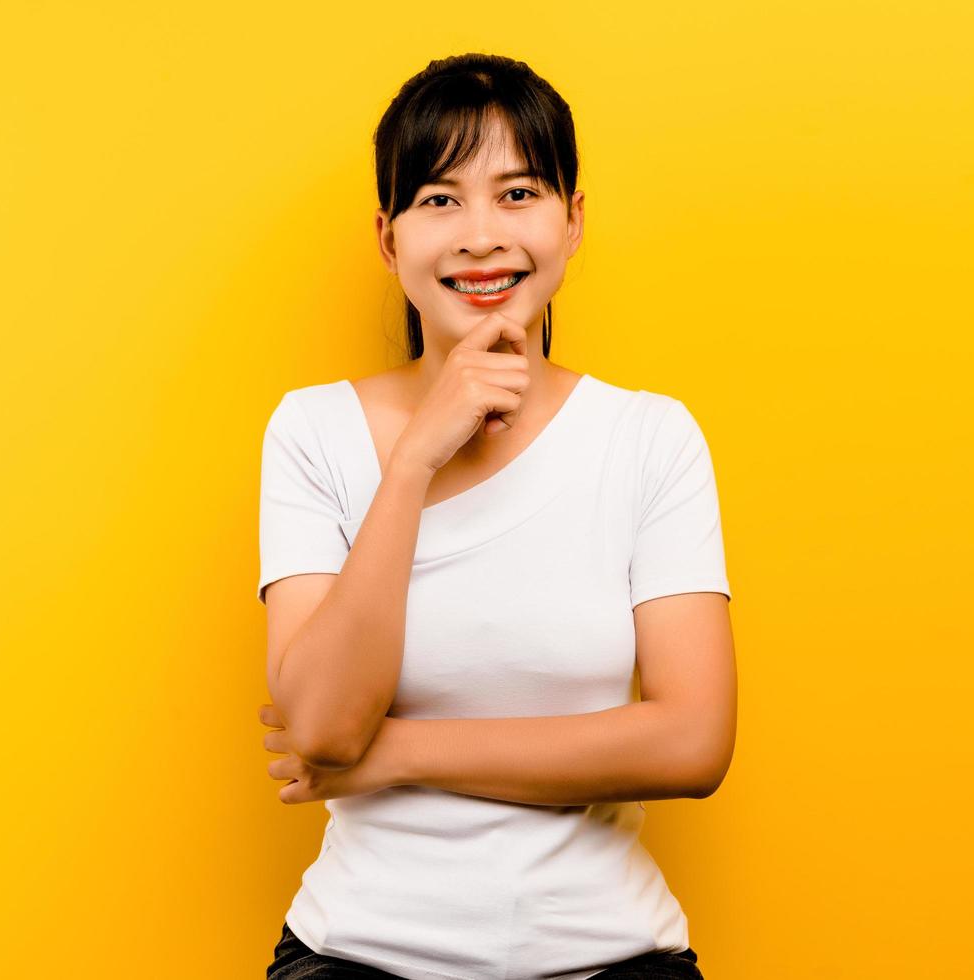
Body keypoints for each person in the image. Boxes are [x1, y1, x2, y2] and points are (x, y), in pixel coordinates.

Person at [255, 53, 733, 980]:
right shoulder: (312, 431)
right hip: (359, 957)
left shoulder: (649, 439)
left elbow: (692, 741)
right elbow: (317, 724)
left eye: (517, 193)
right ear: (389, 240)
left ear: (572, 219)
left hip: (613, 957)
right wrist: (413, 461)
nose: (481, 236)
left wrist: (396, 756)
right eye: (441, 200)